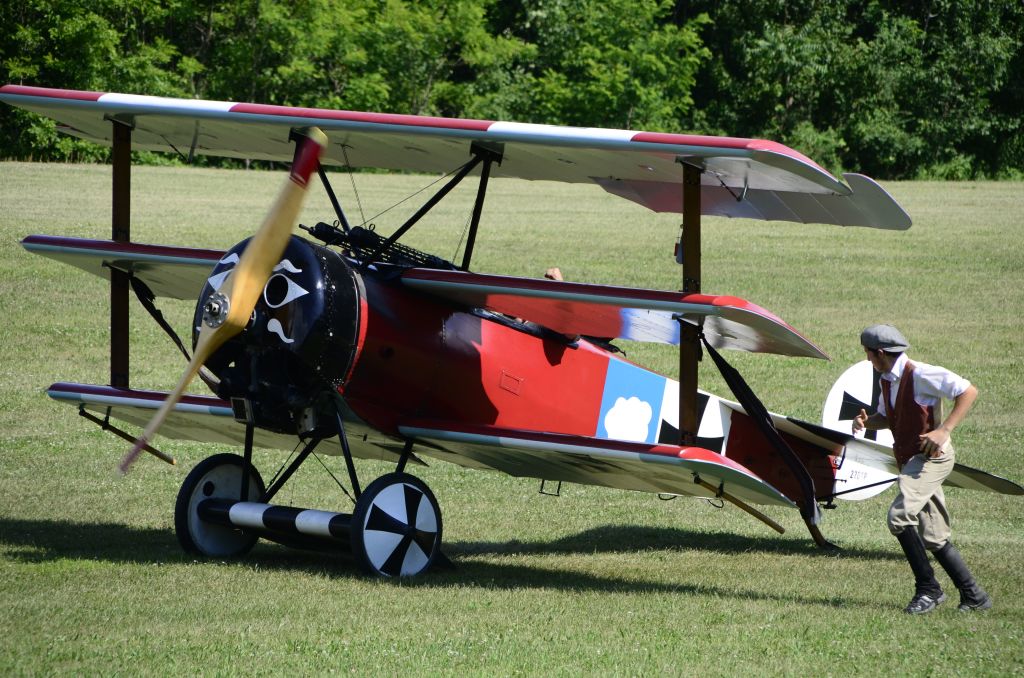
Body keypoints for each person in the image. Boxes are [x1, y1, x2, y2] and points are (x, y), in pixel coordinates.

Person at [853, 324, 990, 614]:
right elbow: (889, 417)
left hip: (931, 459)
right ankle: (974, 595)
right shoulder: (887, 380)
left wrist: (944, 430)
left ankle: (928, 589)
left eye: (867, 354)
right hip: (912, 460)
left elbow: (968, 391)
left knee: (899, 517)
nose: (867, 360)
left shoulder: (923, 374)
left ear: (879, 353)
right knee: (934, 536)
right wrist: (867, 422)